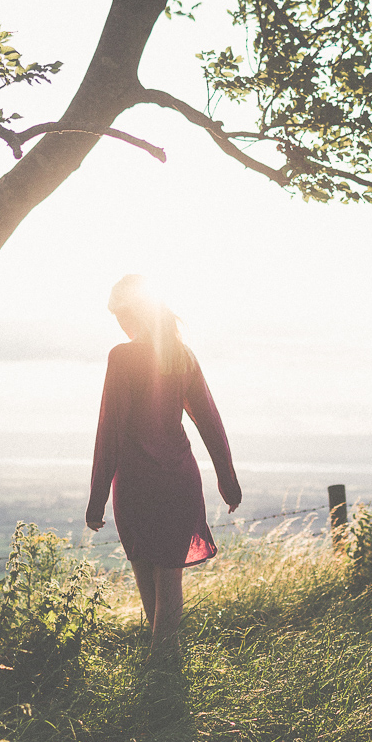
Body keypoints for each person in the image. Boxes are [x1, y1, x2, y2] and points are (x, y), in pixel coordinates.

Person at [86, 274, 242, 654]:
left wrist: (96, 499)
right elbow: (210, 421)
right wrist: (228, 481)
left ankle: (162, 675)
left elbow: (110, 430)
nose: (119, 323)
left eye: (120, 314)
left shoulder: (121, 358)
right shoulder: (181, 355)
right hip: (178, 480)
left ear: (133, 313)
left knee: (146, 571)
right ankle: (165, 670)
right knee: (168, 575)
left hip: (136, 484)